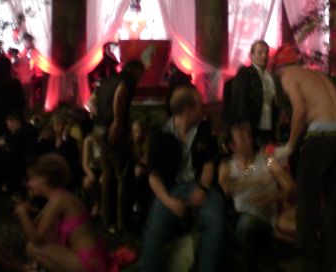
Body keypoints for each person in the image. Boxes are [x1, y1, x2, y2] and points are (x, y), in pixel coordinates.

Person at [272, 44, 336, 271]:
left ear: (279, 69)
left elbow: (301, 110)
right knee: (332, 198)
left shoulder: (289, 76)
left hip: (321, 135)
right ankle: (331, 258)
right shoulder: (317, 76)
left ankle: (305, 260)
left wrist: (289, 145)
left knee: (307, 199)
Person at [139, 85, 225, 272]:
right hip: (172, 188)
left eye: (247, 136)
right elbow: (154, 176)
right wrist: (169, 201)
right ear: (188, 110)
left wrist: (203, 187)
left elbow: (209, 165)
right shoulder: (161, 134)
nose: (203, 108)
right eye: (199, 105)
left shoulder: (263, 158)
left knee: (219, 218)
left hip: (202, 186)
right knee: (155, 228)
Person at [14, 153, 111, 272]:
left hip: (89, 263)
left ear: (44, 179)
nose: (28, 184)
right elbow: (37, 228)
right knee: (36, 246)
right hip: (95, 258)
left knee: (32, 248)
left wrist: (22, 213)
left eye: (32, 179)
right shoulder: (59, 196)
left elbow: (36, 240)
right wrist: (28, 212)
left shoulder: (59, 199)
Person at [218, 120, 296, 257]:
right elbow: (226, 188)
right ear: (232, 145)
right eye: (243, 139)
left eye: (249, 135)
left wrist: (274, 196)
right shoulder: (227, 166)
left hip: (268, 219)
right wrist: (255, 182)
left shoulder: (267, 159)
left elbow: (289, 185)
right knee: (246, 223)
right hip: (247, 218)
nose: (249, 141)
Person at [95, 60, 145, 232]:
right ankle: (124, 221)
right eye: (141, 74)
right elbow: (121, 93)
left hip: (99, 129)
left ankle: (108, 221)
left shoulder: (108, 80)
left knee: (108, 174)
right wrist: (117, 120)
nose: (140, 79)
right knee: (124, 174)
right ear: (135, 70)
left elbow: (93, 100)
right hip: (113, 130)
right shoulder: (127, 80)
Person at [230, 40, 278, 144]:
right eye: (260, 52)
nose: (264, 56)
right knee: (253, 151)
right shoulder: (245, 73)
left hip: (269, 124)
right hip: (252, 123)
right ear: (252, 55)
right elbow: (239, 98)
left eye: (266, 53)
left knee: (269, 151)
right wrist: (245, 121)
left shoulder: (270, 76)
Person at [81, 125, 105, 217]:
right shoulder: (89, 140)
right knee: (88, 182)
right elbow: (85, 163)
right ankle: (95, 202)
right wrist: (90, 174)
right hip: (93, 168)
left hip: (104, 168)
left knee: (103, 181)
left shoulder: (106, 140)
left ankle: (102, 204)